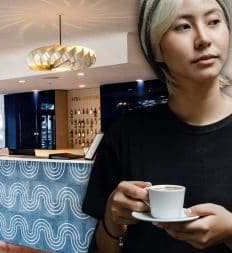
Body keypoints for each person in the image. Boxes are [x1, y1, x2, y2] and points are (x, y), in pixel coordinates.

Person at [83, 0, 232, 252]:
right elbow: (102, 248)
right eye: (183, 26)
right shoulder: (124, 135)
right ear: (156, 48)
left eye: (214, 21)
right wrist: (111, 222)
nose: (204, 38)